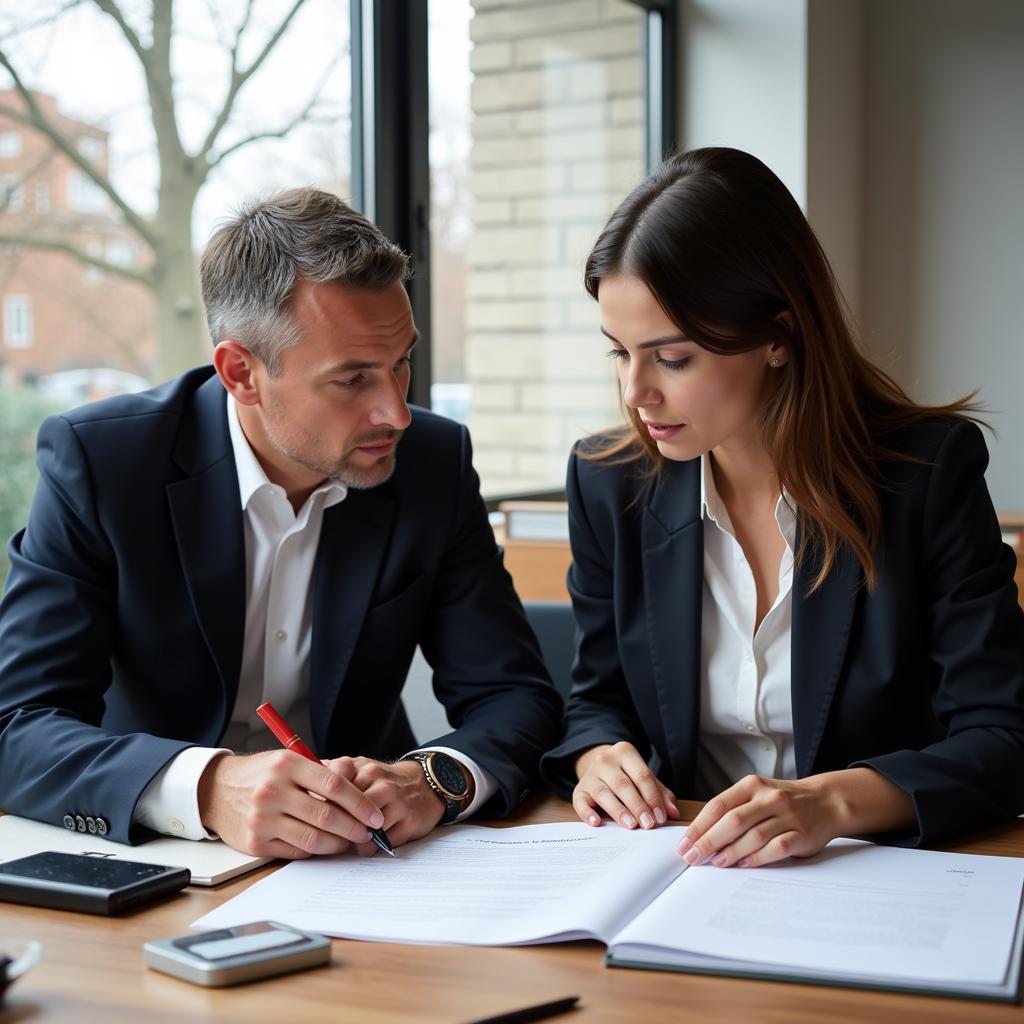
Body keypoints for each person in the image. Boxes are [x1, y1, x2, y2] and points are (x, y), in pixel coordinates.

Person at [0, 187, 561, 858]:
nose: (396, 412)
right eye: (353, 379)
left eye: (401, 362)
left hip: (366, 861)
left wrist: (430, 780)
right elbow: (17, 726)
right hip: (156, 856)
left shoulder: (432, 464)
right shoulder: (105, 462)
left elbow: (515, 697)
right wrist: (207, 788)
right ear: (241, 372)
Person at [541, 147, 1024, 867]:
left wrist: (833, 802)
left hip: (870, 869)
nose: (637, 392)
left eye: (672, 359)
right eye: (619, 352)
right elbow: (595, 699)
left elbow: (1003, 734)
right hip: (681, 869)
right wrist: (598, 757)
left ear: (778, 336)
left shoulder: (927, 476)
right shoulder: (609, 483)